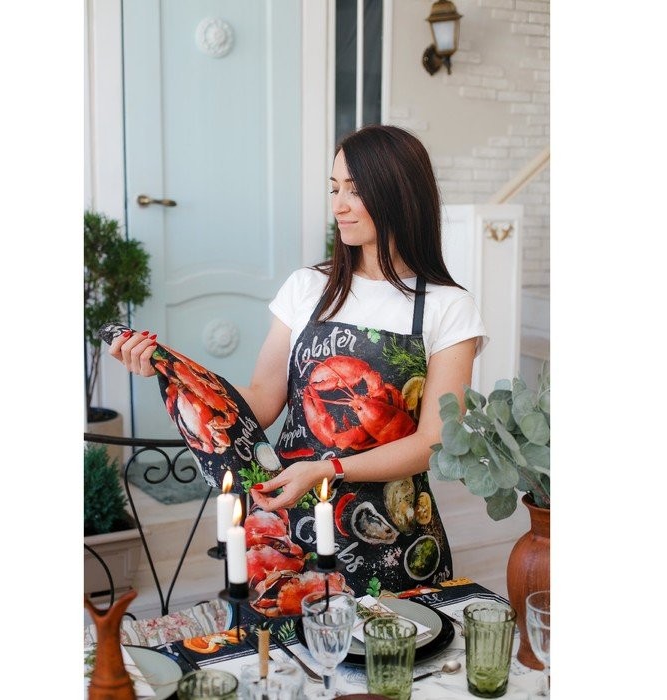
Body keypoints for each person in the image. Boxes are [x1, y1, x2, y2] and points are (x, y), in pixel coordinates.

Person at [109, 124, 487, 603]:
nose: (339, 205)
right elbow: (262, 401)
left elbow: (432, 442)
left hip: (395, 538)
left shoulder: (448, 307)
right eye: (334, 188)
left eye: (355, 190)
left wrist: (328, 470)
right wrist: (173, 372)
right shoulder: (307, 287)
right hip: (289, 520)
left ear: (399, 194)